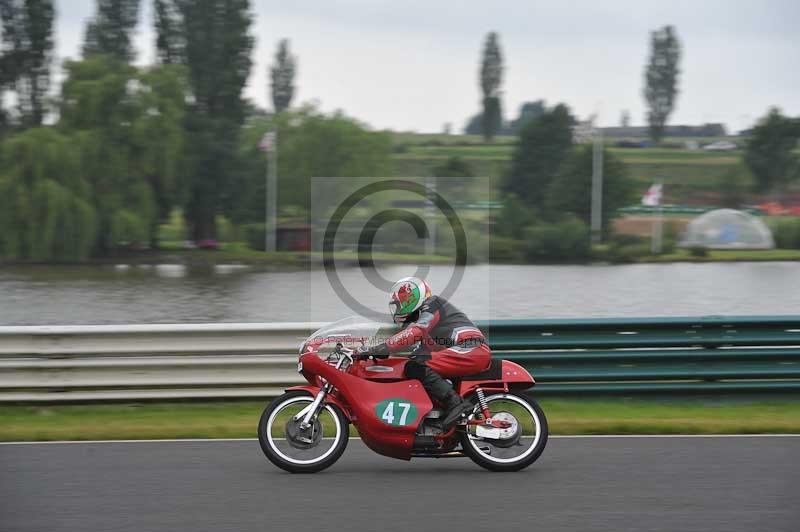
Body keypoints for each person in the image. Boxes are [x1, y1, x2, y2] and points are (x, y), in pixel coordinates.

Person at [358, 276, 491, 428]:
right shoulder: (429, 322)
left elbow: (416, 332)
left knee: (415, 365)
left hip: (471, 348)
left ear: (410, 298)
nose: (398, 309)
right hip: (466, 350)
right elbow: (417, 348)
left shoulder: (433, 304)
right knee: (413, 364)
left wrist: (381, 348)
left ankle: (456, 404)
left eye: (399, 304)